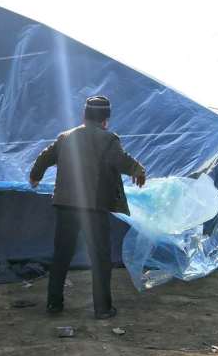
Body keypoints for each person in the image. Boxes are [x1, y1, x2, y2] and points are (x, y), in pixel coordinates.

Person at [29, 95, 147, 320]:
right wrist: (138, 170)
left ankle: (54, 304)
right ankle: (102, 308)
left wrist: (35, 176)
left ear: (83, 116)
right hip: (93, 207)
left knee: (62, 255)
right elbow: (121, 161)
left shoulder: (65, 137)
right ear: (106, 119)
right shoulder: (108, 139)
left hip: (65, 205)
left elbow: (44, 158)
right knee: (100, 258)